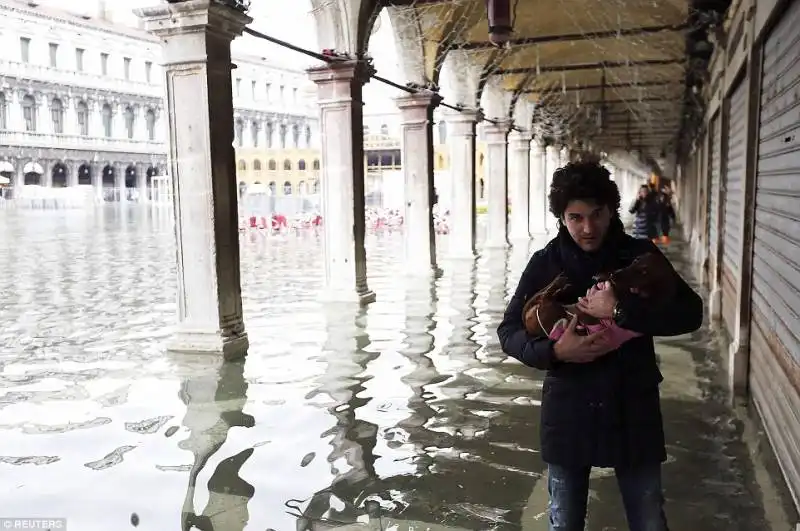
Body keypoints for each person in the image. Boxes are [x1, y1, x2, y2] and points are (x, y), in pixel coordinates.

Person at [496, 161, 703, 531]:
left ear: (611, 210)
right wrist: (555, 353)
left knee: (649, 519)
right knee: (564, 521)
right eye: (575, 218)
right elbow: (508, 331)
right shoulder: (546, 263)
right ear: (561, 217)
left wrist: (621, 310)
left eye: (597, 215)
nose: (588, 228)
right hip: (569, 410)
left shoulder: (640, 256)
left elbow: (691, 314)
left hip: (632, 404)